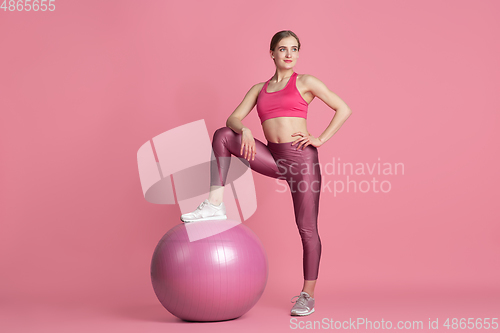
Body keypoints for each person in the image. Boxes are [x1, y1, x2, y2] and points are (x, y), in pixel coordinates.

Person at [180, 30, 352, 316]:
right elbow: (232, 118)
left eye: (294, 49)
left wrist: (320, 139)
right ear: (271, 53)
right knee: (223, 135)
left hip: (302, 162)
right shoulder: (259, 89)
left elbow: (343, 108)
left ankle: (307, 295)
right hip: (273, 157)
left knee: (306, 228)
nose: (288, 54)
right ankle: (214, 204)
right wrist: (244, 128)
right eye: (282, 49)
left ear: (298, 53)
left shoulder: (306, 82)